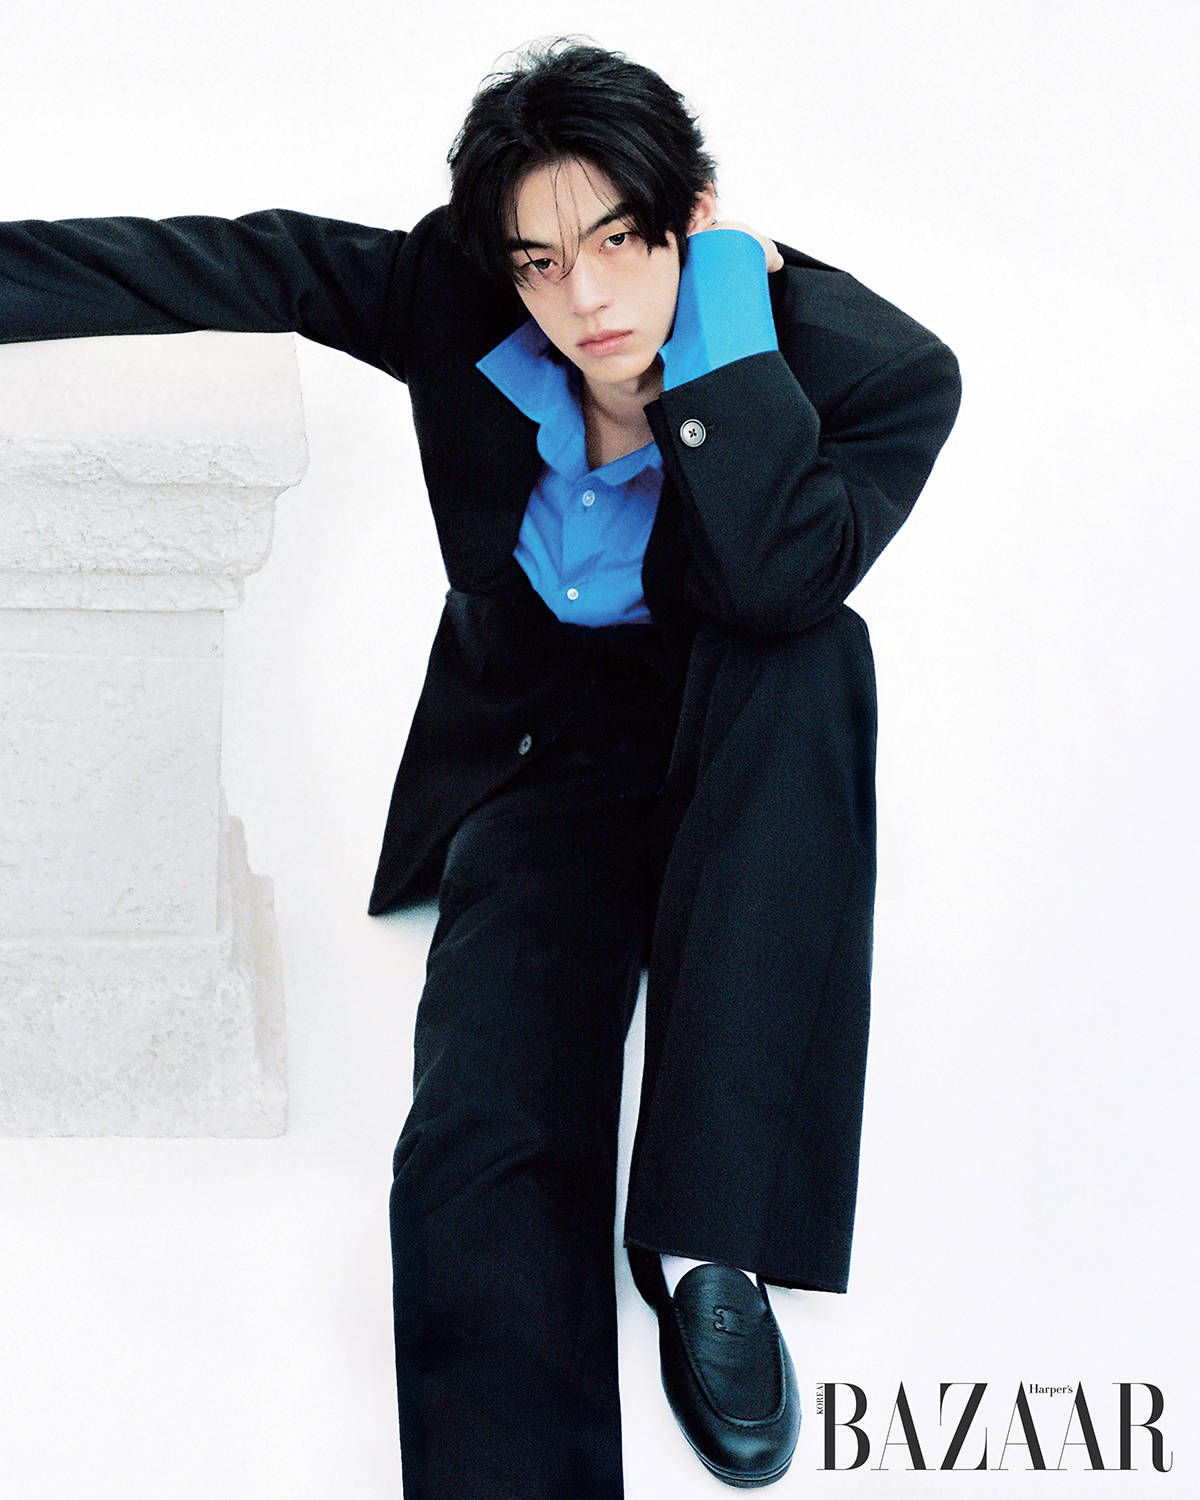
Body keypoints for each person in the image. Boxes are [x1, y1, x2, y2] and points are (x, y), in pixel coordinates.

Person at [0, 39, 961, 1499]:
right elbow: (235, 260)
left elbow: (776, 579)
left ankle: (711, 1241)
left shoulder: (877, 369)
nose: (584, 299)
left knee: (813, 651)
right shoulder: (455, 303)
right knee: (479, 1126)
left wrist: (718, 337)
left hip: (750, 744)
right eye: (539, 262)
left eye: (621, 243)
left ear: (695, 217)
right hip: (543, 744)